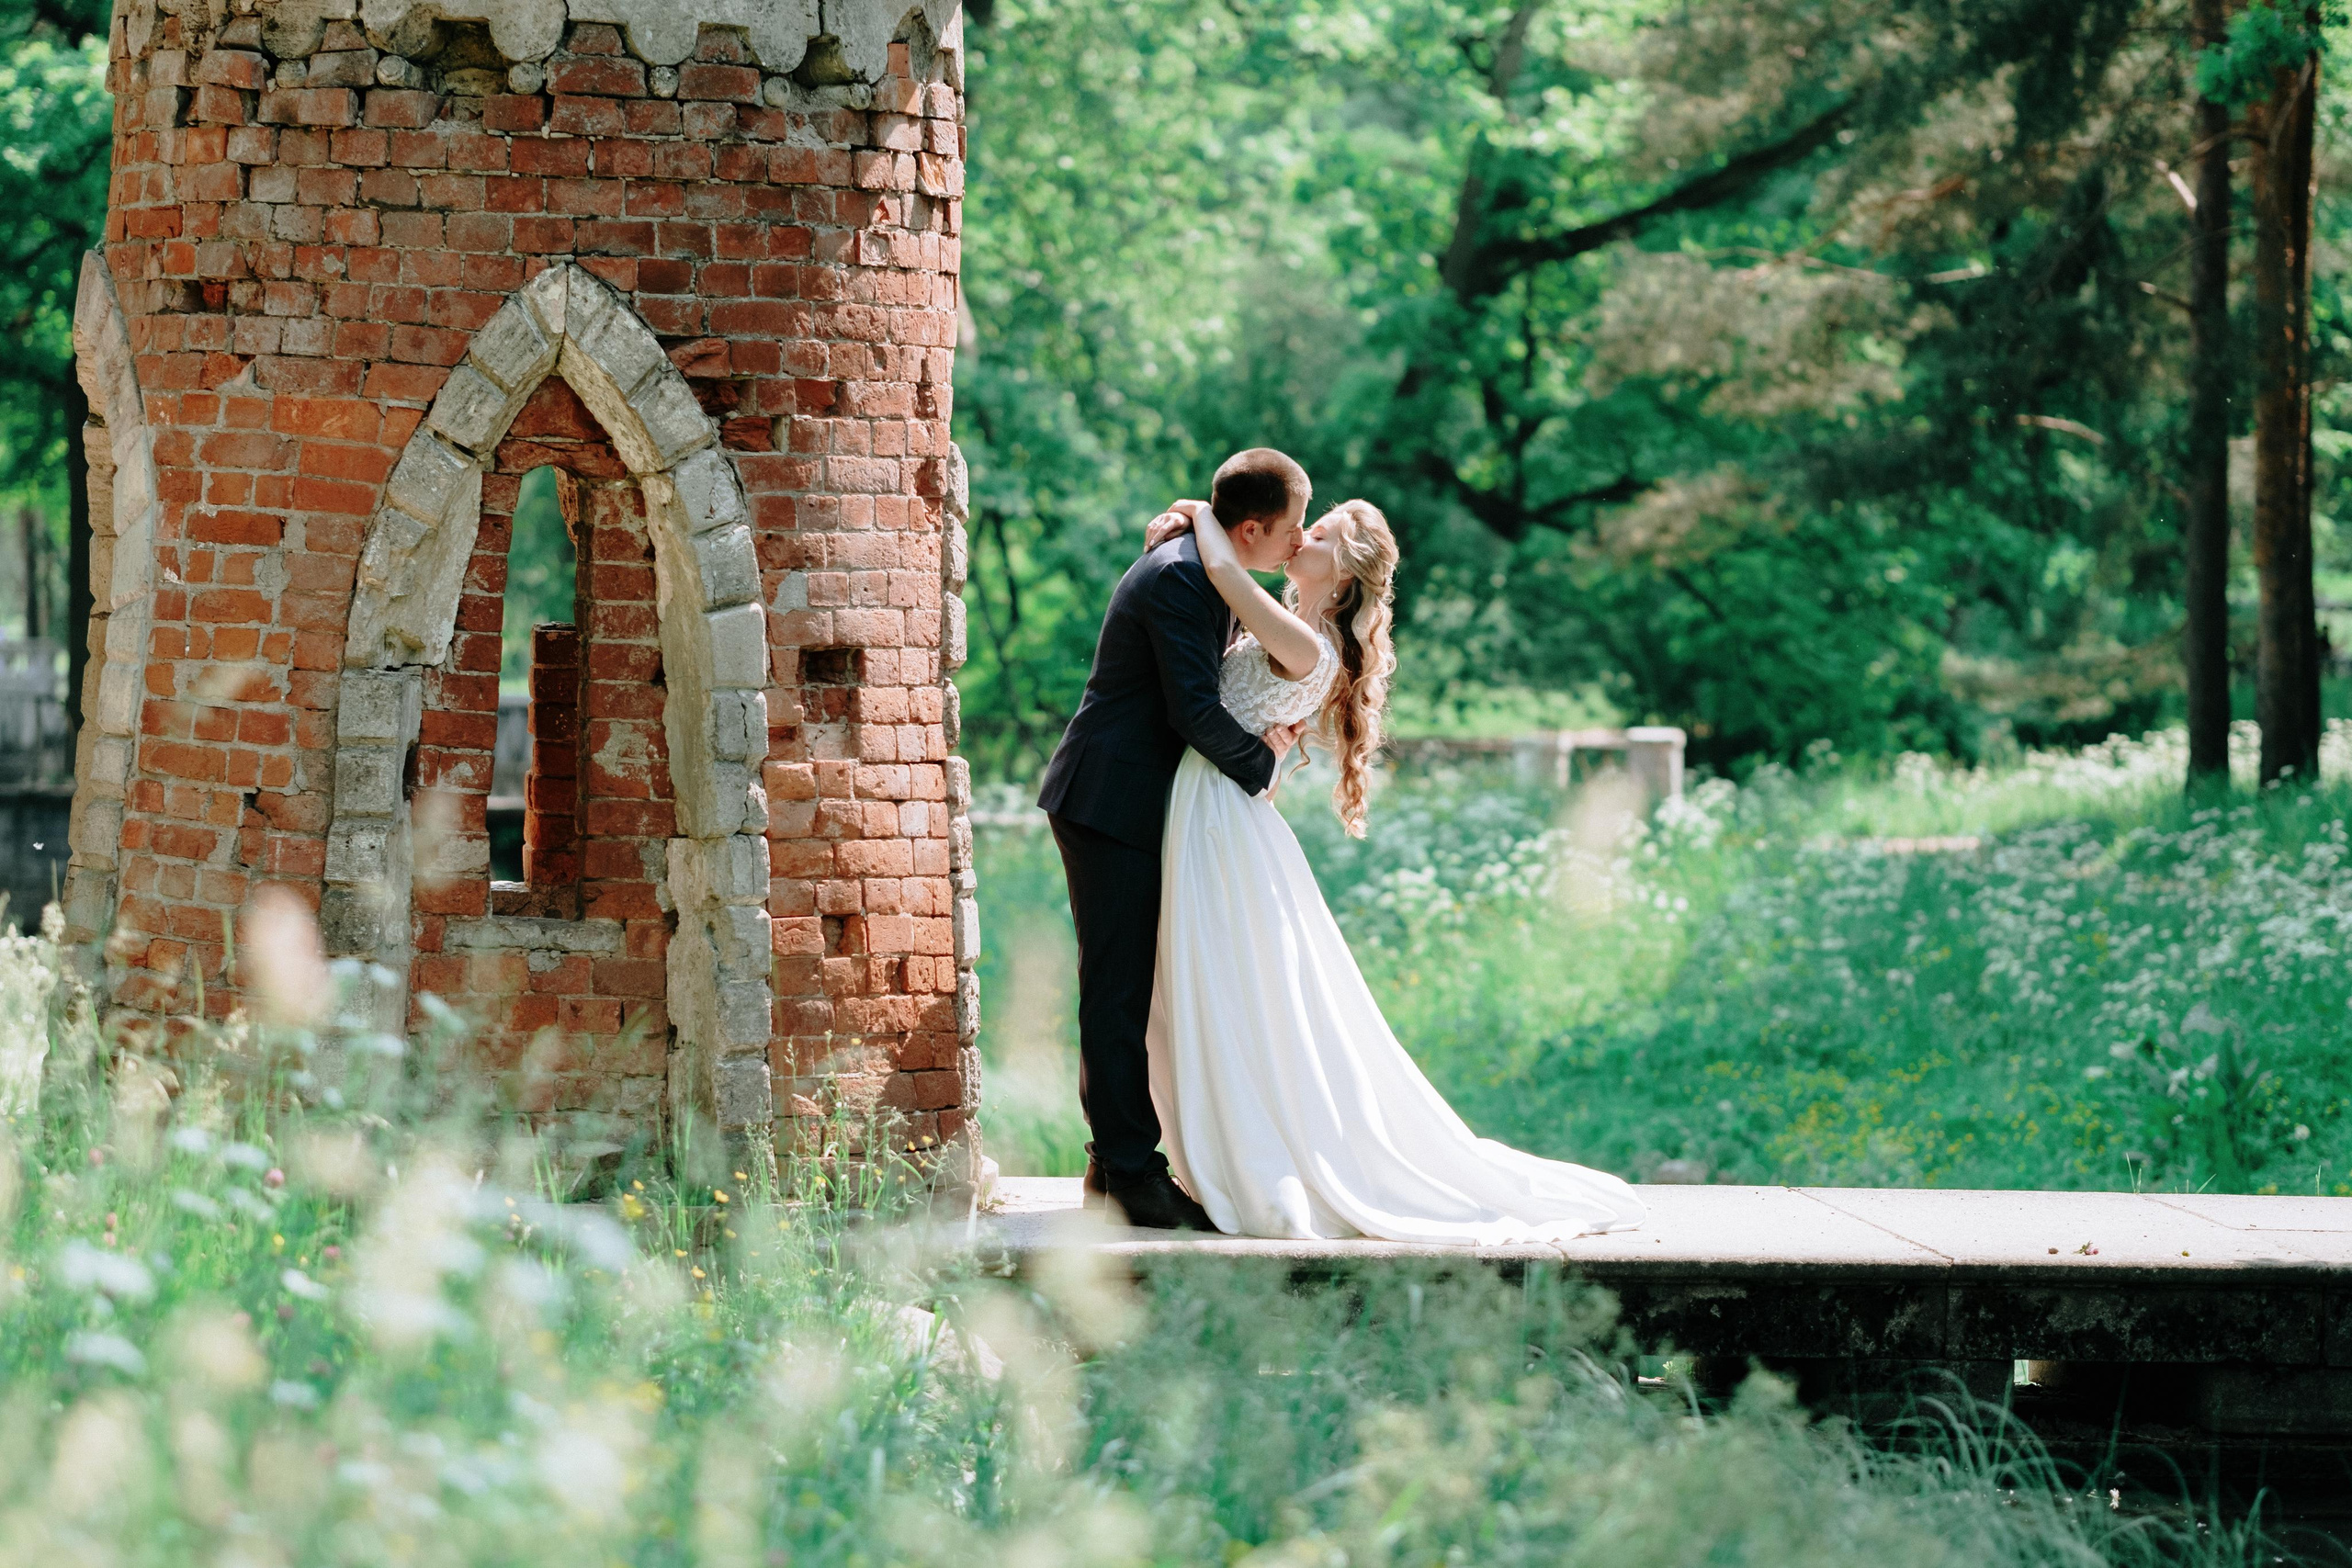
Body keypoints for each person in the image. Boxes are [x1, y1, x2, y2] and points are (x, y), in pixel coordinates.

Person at [1139, 494, 1646, 1243]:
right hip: (1215, 808)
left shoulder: (1307, 643)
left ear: (1341, 574)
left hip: (1219, 818)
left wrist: (1198, 510)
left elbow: (1220, 564)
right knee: (1226, 987)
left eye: (1322, 531)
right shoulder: (1295, 626)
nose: (1301, 535)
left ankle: (1250, 1150)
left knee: (1229, 985)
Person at [1036, 449, 1314, 1229]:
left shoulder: (1208, 560)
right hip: (1108, 798)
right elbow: (1191, 709)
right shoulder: (1182, 577)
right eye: (1291, 528)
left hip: (1140, 800)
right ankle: (1131, 1175)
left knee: (1137, 987)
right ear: (1252, 527)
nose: (1297, 542)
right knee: (1118, 990)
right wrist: (1264, 766)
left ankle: (1109, 1167)